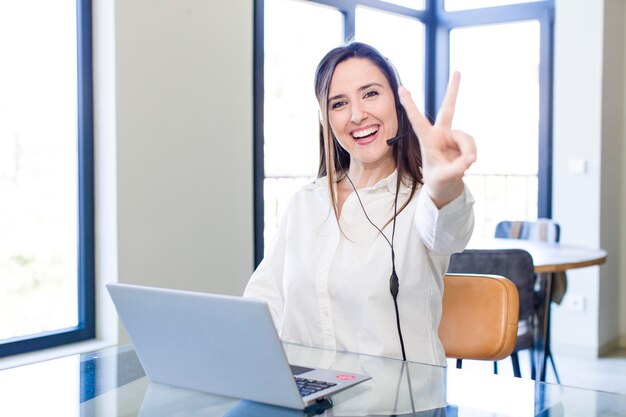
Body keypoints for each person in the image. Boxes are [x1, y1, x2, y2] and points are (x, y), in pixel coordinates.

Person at [244, 42, 476, 366]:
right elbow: (264, 302)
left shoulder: (421, 201)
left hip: (395, 406)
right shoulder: (305, 204)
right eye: (339, 103)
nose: (356, 115)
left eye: (370, 94)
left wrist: (444, 183)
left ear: (396, 102)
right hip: (304, 400)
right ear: (326, 120)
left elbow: (449, 232)